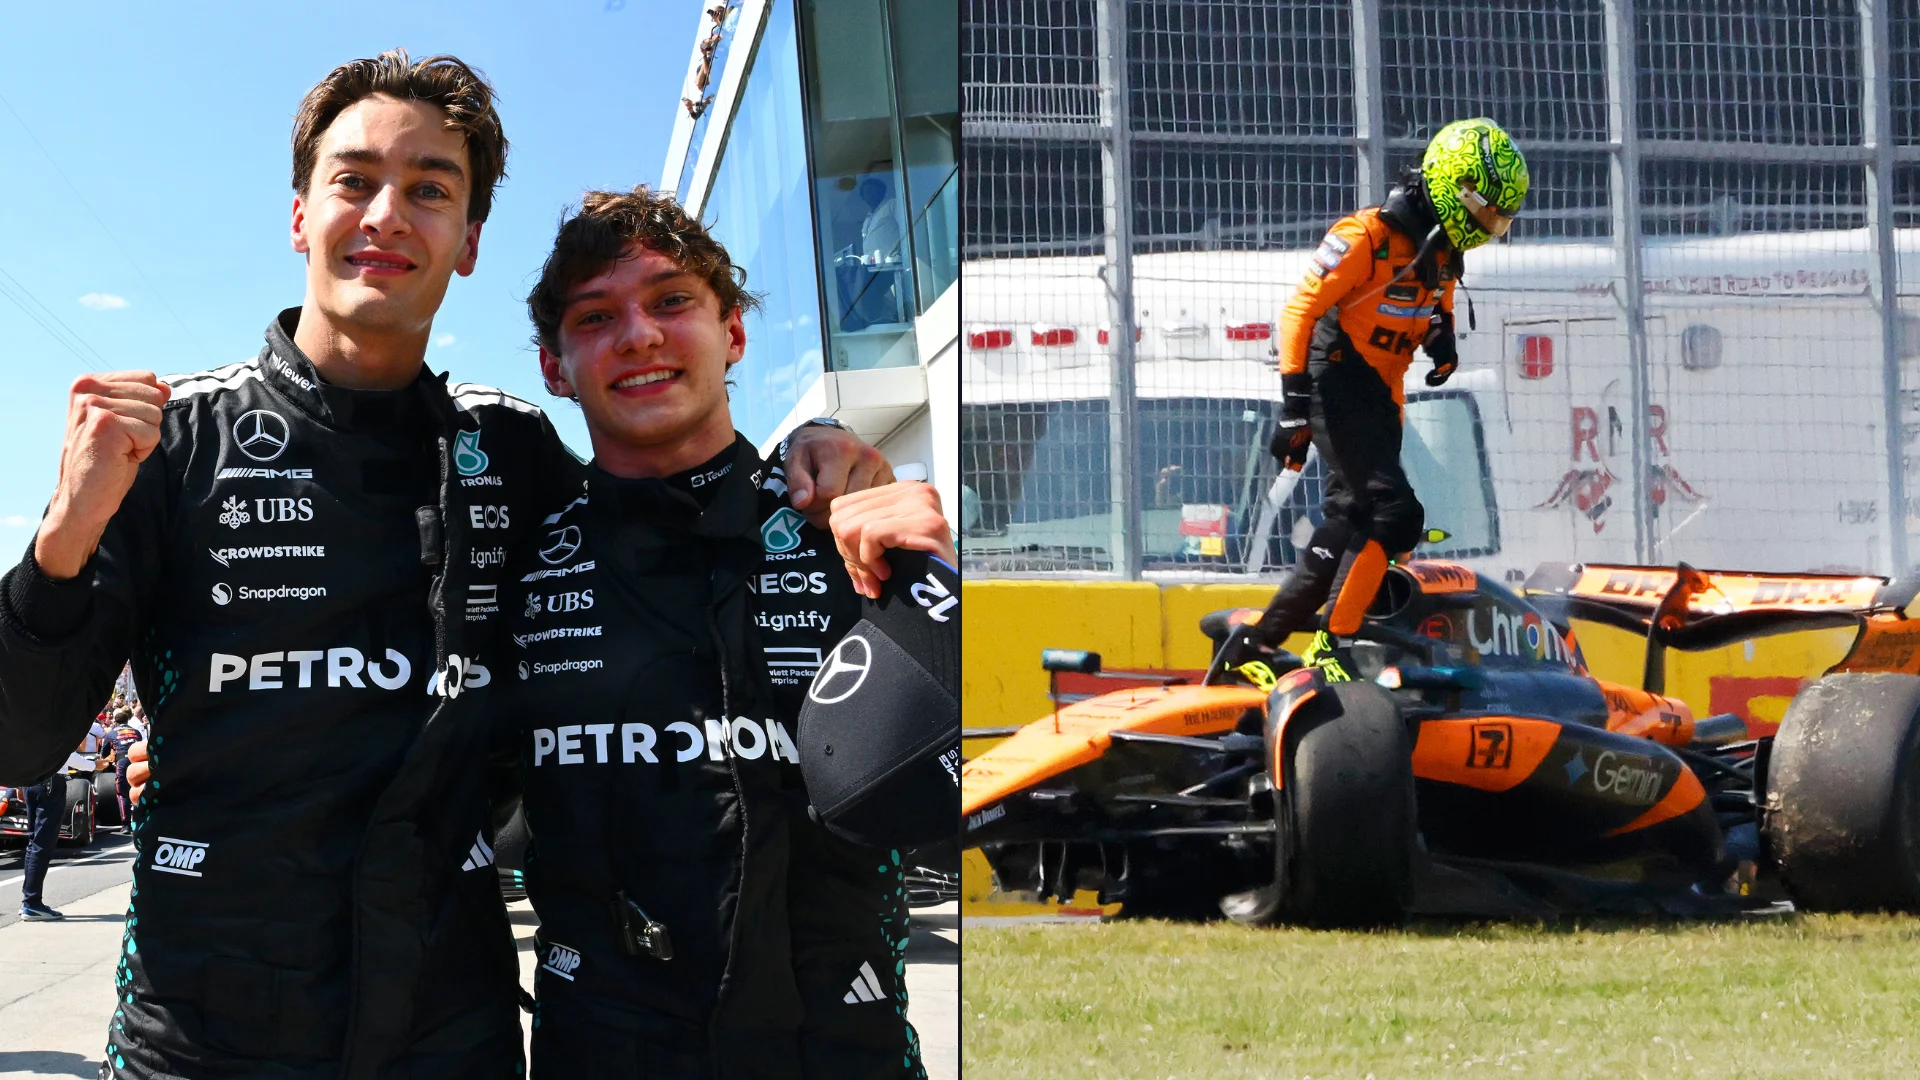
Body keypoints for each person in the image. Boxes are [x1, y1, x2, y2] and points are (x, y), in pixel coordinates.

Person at [0, 50, 885, 1080]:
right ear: (299, 216)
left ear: (466, 243)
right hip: (206, 1031)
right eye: (354, 179)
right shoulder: (172, 443)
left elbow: (673, 523)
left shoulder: (511, 449)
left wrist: (820, 456)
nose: (386, 214)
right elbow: (18, 741)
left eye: (429, 189)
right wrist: (62, 537)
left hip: (448, 1028)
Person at [508, 187, 952, 1078]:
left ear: (734, 333)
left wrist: (936, 590)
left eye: (672, 301)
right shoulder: (513, 557)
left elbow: (960, 807)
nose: (639, 335)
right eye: (597, 317)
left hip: (838, 1051)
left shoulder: (851, 530)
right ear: (556, 369)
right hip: (595, 1052)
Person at [1247, 118, 1528, 674]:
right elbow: (1298, 312)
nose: (1490, 226)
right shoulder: (1366, 236)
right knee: (1396, 515)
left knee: (1350, 516)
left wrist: (1441, 333)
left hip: (1383, 392)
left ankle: (1259, 642)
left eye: (1499, 218)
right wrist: (1293, 407)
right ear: (1456, 189)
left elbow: (1436, 292)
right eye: (1487, 213)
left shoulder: (1442, 247)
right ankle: (1335, 642)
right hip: (1338, 380)